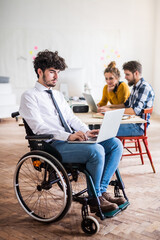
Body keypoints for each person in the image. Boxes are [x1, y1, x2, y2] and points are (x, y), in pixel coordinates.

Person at [19, 50, 126, 213]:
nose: (56, 76)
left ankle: (101, 191)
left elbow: (70, 118)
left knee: (115, 144)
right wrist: (68, 135)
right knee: (96, 151)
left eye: (58, 72)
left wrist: (85, 131)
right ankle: (94, 198)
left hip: (69, 140)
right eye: (52, 72)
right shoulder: (29, 96)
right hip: (53, 145)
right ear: (40, 72)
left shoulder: (58, 95)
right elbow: (39, 127)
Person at [98, 61, 155, 136]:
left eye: (127, 74)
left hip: (137, 127)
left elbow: (134, 111)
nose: (125, 77)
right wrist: (109, 107)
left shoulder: (144, 87)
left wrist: (110, 110)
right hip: (130, 121)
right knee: (99, 126)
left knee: (104, 129)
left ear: (136, 73)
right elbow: (125, 104)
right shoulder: (135, 87)